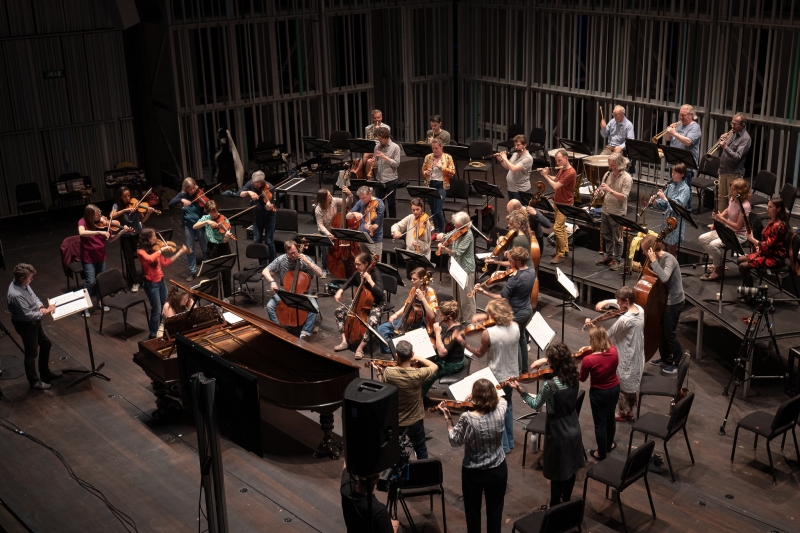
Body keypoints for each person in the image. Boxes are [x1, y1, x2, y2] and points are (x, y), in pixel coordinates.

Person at [508, 342, 585, 507]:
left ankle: (554, 507)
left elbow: (536, 404)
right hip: (573, 425)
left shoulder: (549, 385)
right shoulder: (574, 374)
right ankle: (566, 501)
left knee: (558, 474)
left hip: (557, 430)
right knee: (571, 469)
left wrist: (520, 390)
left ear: (553, 362)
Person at [437, 378, 508, 533]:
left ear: (475, 396)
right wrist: (484, 394)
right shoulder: (501, 409)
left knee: (473, 512)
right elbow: (500, 398)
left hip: (473, 471)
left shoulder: (467, 418)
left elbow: (455, 440)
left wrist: (448, 419)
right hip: (497, 468)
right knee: (495, 511)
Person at [465, 299, 519, 454]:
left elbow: (479, 353)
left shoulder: (488, 333)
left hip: (497, 377)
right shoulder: (515, 327)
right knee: (507, 406)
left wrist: (465, 344)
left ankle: (504, 447)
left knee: (496, 411)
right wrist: (484, 317)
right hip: (513, 375)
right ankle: (510, 441)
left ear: (494, 315)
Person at [587, 286, 644, 422]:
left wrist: (591, 325)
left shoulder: (625, 320)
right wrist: (607, 301)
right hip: (637, 353)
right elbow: (620, 303)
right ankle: (630, 412)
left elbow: (606, 335)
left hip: (626, 355)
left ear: (626, 301)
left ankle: (622, 413)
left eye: (619, 301)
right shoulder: (640, 310)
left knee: (623, 384)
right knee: (631, 384)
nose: (617, 303)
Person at [474, 246, 535, 372]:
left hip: (517, 312)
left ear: (518, 262)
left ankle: (517, 370)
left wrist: (483, 292)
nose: (510, 263)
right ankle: (524, 369)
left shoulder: (514, 279)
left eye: (511, 261)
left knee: (516, 342)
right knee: (522, 338)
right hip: (528, 310)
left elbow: (502, 298)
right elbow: (517, 277)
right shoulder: (531, 271)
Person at [373, 340, 436, 459]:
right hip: (415, 421)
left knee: (394, 449)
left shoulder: (389, 373)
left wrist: (379, 374)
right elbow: (435, 366)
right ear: (411, 354)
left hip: (397, 420)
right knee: (421, 449)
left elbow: (385, 390)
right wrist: (418, 358)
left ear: (396, 355)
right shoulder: (418, 374)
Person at [7, 263, 60, 390]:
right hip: (26, 325)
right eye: (30, 278)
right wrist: (45, 312)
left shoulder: (24, 285)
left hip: (33, 322)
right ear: (21, 278)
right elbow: (27, 315)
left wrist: (41, 307)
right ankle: (34, 382)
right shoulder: (16, 295)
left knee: (46, 344)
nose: (31, 280)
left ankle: (45, 374)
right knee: (31, 354)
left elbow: (34, 297)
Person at [638, 235, 685, 374]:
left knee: (669, 333)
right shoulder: (657, 259)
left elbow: (664, 277)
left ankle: (678, 362)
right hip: (665, 299)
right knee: (662, 331)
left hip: (675, 301)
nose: (643, 253)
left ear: (651, 250)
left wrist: (653, 261)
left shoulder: (669, 259)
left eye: (644, 250)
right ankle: (666, 358)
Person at [262, 240, 323, 341]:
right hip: (285, 291)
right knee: (269, 306)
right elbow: (265, 271)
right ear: (286, 252)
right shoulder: (281, 260)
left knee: (315, 308)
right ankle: (279, 329)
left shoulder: (304, 258)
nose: (295, 255)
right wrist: (272, 281)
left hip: (303, 292)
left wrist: (308, 262)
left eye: (296, 251)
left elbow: (320, 273)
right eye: (291, 253)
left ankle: (304, 333)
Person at [137, 229, 189, 339]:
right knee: (156, 310)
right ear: (148, 239)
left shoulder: (155, 250)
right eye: (154, 236)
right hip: (151, 284)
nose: (156, 238)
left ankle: (163, 330)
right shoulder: (141, 252)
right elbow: (150, 259)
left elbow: (165, 262)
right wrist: (161, 249)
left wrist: (180, 252)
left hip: (161, 282)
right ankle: (153, 335)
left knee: (165, 307)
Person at [78, 204, 129, 315]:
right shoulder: (83, 222)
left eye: (100, 212)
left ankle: (101, 302)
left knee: (100, 281)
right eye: (98, 214)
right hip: (88, 257)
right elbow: (82, 232)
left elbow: (110, 239)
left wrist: (121, 232)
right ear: (91, 216)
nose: (101, 216)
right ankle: (84, 306)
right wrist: (98, 232)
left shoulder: (104, 224)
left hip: (101, 256)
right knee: (90, 281)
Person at [333, 252, 385, 358]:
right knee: (338, 311)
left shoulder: (375, 273)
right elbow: (349, 281)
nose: (356, 267)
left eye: (358, 264)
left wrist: (370, 280)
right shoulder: (358, 273)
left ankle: (360, 348)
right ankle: (344, 341)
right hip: (361, 301)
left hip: (377, 303)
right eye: (355, 264)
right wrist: (340, 290)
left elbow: (380, 293)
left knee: (372, 321)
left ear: (366, 263)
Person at [580, 326, 620, 460]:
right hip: (614, 389)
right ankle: (609, 444)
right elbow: (602, 353)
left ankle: (601, 453)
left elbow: (582, 378)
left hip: (599, 393)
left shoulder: (588, 360)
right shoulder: (614, 351)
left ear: (593, 340)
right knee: (610, 417)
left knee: (600, 423)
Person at [376, 267, 438, 354]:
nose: (412, 281)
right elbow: (407, 305)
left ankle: (402, 352)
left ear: (422, 280)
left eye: (414, 279)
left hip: (423, 324)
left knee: (406, 337)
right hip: (410, 319)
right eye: (411, 279)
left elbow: (432, 315)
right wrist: (396, 314)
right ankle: (395, 351)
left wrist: (423, 299)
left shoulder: (430, 292)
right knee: (381, 329)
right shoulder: (414, 289)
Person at [700, 179, 751, 281]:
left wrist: (722, 220)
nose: (731, 192)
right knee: (702, 238)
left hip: (738, 235)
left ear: (740, 192)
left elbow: (737, 226)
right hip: (727, 230)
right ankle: (719, 263)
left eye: (733, 190)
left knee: (713, 245)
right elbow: (728, 209)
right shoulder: (733, 199)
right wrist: (719, 216)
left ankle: (718, 270)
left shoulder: (745, 206)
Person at [738, 198, 789, 289]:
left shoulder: (779, 226)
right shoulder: (772, 222)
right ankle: (748, 287)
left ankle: (750, 293)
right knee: (740, 259)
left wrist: (752, 239)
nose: (766, 209)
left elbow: (768, 245)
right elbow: (766, 241)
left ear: (778, 209)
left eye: (770, 207)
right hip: (767, 253)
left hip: (775, 258)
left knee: (743, 266)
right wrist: (758, 247)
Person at [111, 186, 155, 292]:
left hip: (138, 234)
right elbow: (112, 216)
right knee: (129, 260)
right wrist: (125, 210)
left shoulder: (135, 203)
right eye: (125, 196)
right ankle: (134, 282)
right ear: (120, 197)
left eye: (129, 195)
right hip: (126, 237)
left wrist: (148, 213)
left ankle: (147, 278)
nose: (128, 198)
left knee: (144, 257)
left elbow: (142, 220)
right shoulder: (117, 205)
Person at [595, 153, 633, 271]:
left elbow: (624, 197)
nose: (610, 167)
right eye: (609, 164)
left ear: (619, 164)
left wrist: (610, 190)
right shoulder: (607, 174)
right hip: (605, 209)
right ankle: (609, 256)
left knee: (618, 238)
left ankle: (617, 260)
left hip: (617, 212)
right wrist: (599, 193)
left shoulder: (627, 178)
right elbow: (603, 192)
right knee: (606, 235)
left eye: (612, 165)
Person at [538, 149, 577, 264]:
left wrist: (545, 176)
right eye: (557, 161)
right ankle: (564, 249)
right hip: (558, 201)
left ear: (566, 158)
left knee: (557, 228)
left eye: (560, 160)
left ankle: (560, 255)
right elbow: (556, 179)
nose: (558, 163)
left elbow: (555, 186)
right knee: (561, 227)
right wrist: (546, 174)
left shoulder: (571, 172)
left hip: (565, 204)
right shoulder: (562, 169)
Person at [436, 211, 476, 323]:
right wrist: (442, 236)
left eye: (457, 225)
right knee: (457, 295)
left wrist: (445, 249)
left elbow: (458, 252)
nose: (454, 226)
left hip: (466, 268)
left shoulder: (468, 235)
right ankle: (459, 317)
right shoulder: (458, 229)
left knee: (466, 298)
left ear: (464, 224)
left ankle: (469, 321)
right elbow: (448, 236)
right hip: (456, 266)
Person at [421, 300, 466, 397]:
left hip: (452, 364)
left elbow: (442, 353)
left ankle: (418, 399)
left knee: (428, 375)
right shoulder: (451, 326)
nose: (439, 316)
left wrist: (437, 333)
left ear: (448, 317)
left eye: (441, 315)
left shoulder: (455, 331)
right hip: (448, 358)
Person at [167, 178, 207, 281]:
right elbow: (170, 203)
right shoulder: (182, 195)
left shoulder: (199, 194)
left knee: (204, 247)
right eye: (190, 189)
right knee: (190, 249)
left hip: (199, 224)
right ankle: (192, 271)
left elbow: (207, 206)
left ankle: (208, 268)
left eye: (194, 188)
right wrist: (181, 200)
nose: (193, 191)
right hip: (188, 225)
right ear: (186, 189)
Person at [192, 200, 234, 298]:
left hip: (223, 247)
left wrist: (227, 237)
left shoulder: (224, 220)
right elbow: (194, 226)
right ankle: (214, 299)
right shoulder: (206, 218)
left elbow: (224, 241)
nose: (215, 214)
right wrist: (207, 221)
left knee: (226, 275)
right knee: (212, 276)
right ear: (208, 212)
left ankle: (227, 298)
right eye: (212, 212)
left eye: (216, 211)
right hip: (211, 248)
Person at [340, 463, 398, 533]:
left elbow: (346, 465)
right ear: (377, 478)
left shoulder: (345, 490)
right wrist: (394, 528)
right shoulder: (379, 512)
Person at [650, 162, 692, 256]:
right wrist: (656, 202)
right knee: (662, 247)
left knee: (671, 249)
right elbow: (664, 205)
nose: (672, 175)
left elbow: (678, 206)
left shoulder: (685, 189)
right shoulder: (671, 186)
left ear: (682, 174)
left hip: (675, 222)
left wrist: (664, 198)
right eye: (672, 172)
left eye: (675, 173)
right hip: (666, 220)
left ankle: (673, 268)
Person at [716, 113, 752, 213]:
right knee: (721, 198)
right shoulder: (732, 133)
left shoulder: (746, 139)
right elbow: (722, 150)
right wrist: (722, 141)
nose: (732, 126)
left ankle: (729, 224)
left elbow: (737, 157)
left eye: (735, 124)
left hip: (734, 173)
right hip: (723, 171)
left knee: (732, 200)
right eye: (732, 123)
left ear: (743, 125)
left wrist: (725, 147)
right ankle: (719, 222)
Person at [240, 170, 277, 264]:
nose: (255, 186)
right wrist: (248, 192)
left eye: (257, 184)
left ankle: (273, 263)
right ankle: (262, 264)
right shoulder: (250, 184)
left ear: (262, 182)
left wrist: (268, 207)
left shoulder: (270, 187)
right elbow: (239, 193)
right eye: (254, 183)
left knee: (269, 241)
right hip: (256, 217)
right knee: (257, 241)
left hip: (269, 217)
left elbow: (271, 206)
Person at [315, 186, 352, 277]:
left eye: (330, 194)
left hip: (334, 228)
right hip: (324, 231)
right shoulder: (318, 209)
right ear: (324, 199)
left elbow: (347, 202)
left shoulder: (334, 201)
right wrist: (328, 234)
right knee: (325, 251)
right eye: (329, 195)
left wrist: (349, 194)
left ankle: (335, 266)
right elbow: (320, 224)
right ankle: (324, 268)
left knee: (336, 249)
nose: (331, 196)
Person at [663, 104, 702, 189]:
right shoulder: (679, 125)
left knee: (684, 190)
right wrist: (669, 132)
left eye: (683, 115)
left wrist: (674, 133)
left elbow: (688, 142)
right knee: (673, 189)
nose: (681, 117)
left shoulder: (695, 128)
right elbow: (668, 139)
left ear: (691, 115)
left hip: (686, 166)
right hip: (675, 163)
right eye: (680, 115)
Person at [422, 138, 456, 234]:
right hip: (431, 184)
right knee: (432, 210)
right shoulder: (428, 157)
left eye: (436, 148)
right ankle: (436, 230)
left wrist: (441, 167)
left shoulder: (448, 157)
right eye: (433, 148)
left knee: (438, 210)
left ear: (441, 147)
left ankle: (442, 231)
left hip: (441, 185)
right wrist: (426, 172)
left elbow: (452, 172)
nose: (435, 150)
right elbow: (423, 171)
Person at [371, 127, 401, 218]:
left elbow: (396, 164)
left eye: (380, 139)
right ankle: (382, 223)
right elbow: (376, 164)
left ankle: (392, 224)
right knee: (380, 205)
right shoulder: (377, 147)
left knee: (391, 204)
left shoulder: (395, 147)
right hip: (379, 179)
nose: (379, 141)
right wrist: (373, 162)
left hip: (391, 179)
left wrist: (384, 157)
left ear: (386, 138)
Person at [348, 186, 385, 259]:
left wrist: (371, 227)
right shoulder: (360, 202)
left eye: (364, 198)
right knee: (364, 263)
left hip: (374, 240)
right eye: (361, 198)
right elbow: (347, 216)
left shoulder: (379, 204)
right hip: (363, 238)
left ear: (370, 194)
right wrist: (354, 213)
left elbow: (377, 224)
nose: (363, 200)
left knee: (375, 264)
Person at [496, 134, 533, 203]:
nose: (516, 147)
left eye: (518, 145)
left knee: (520, 212)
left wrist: (505, 158)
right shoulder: (515, 154)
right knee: (513, 211)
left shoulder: (528, 158)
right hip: (511, 188)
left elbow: (514, 169)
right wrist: (501, 160)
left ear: (524, 145)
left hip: (521, 191)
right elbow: (508, 167)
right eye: (515, 145)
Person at [361, 109, 390, 178]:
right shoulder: (368, 128)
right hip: (371, 150)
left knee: (366, 154)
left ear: (381, 117)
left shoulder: (386, 127)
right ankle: (369, 182)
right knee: (368, 162)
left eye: (378, 117)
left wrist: (378, 130)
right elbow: (367, 141)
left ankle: (356, 171)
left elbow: (384, 141)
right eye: (375, 118)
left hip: (381, 151)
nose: (377, 119)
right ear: (372, 119)